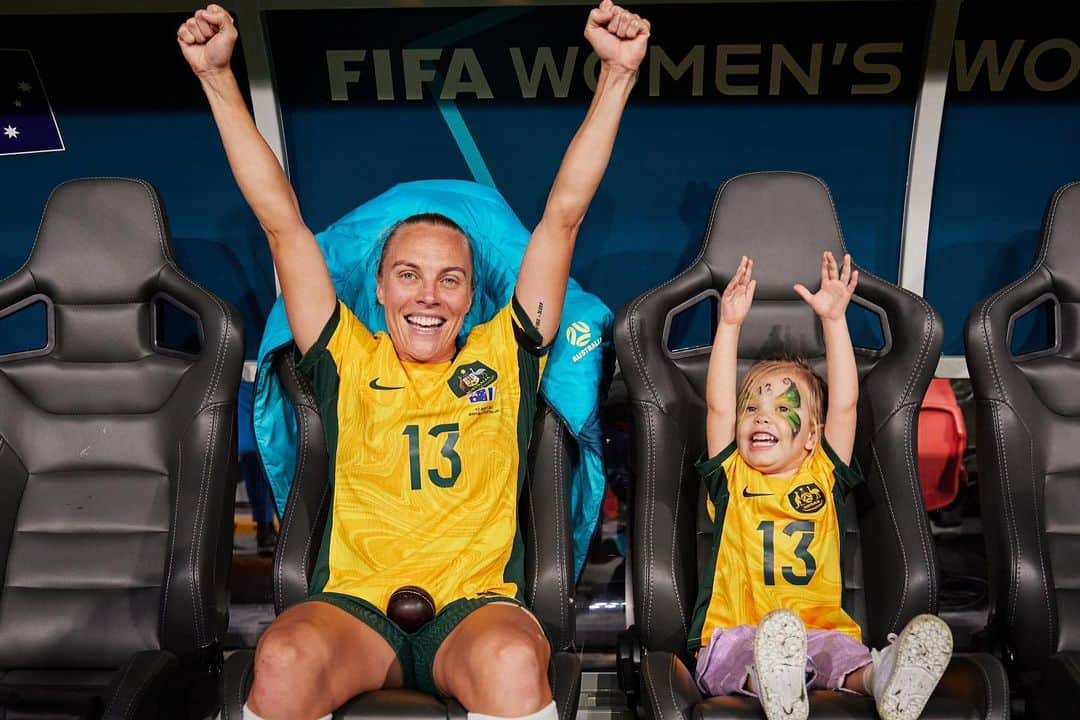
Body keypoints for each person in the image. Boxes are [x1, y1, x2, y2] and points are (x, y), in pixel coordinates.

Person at [177, 3, 649, 719]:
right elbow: (281, 221)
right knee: (281, 659)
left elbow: (563, 215)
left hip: (472, 607)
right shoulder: (344, 354)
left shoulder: (507, 352)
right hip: (357, 606)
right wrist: (216, 77)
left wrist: (616, 77)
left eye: (450, 279)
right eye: (408, 274)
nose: (427, 296)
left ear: (472, 296)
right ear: (377, 286)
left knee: (516, 663)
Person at [690, 254, 953, 720]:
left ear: (813, 436)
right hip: (739, 629)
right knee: (735, 657)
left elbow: (846, 405)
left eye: (781, 407)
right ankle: (775, 682)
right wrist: (729, 325)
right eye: (751, 408)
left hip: (817, 626)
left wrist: (834, 319)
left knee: (844, 657)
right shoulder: (731, 477)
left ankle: (888, 679)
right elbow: (716, 408)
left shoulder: (823, 476)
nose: (761, 416)